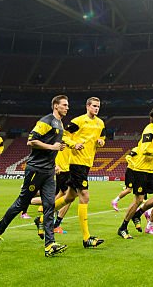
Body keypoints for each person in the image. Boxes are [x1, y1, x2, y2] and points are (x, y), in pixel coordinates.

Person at [0, 96, 69, 258]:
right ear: (55, 106)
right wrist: (52, 146)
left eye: (68, 105)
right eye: (64, 105)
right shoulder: (46, 121)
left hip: (48, 171)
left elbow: (52, 146)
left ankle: (49, 245)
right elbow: (31, 141)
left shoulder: (60, 123)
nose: (67, 108)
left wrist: (55, 158)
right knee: (21, 203)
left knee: (49, 205)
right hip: (35, 169)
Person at [51, 97, 106, 248]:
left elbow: (102, 137)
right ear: (87, 106)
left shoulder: (100, 123)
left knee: (69, 197)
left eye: (98, 106)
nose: (96, 108)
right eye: (94, 106)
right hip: (76, 163)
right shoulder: (78, 121)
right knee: (84, 196)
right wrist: (74, 144)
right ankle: (86, 238)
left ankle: (43, 218)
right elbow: (64, 135)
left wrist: (101, 141)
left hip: (88, 163)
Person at [117, 106, 153, 239]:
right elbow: (145, 150)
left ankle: (137, 214)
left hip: (151, 170)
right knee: (138, 199)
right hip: (140, 170)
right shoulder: (149, 129)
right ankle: (123, 227)